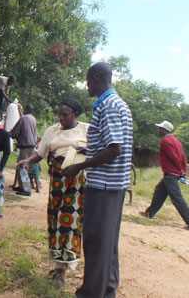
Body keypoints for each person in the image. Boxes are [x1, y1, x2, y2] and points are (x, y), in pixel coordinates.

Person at [62, 62, 133, 298]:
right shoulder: (117, 104)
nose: (86, 85)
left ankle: (91, 294)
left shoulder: (108, 106)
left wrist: (79, 167)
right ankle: (108, 289)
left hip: (104, 186)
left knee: (95, 242)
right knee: (107, 243)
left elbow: (115, 149)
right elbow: (108, 145)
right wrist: (86, 152)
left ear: (94, 78)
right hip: (114, 185)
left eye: (87, 80)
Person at [16, 98, 89, 285]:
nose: (61, 118)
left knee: (70, 221)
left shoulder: (86, 129)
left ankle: (65, 269)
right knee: (55, 219)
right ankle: (58, 264)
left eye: (65, 114)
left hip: (76, 182)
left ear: (76, 114)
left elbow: (96, 151)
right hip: (57, 180)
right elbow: (40, 154)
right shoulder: (52, 130)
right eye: (59, 114)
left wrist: (82, 151)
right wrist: (26, 161)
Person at [141, 121, 189, 227]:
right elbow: (183, 157)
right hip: (172, 174)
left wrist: (180, 170)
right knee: (159, 191)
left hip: (170, 174)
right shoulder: (176, 141)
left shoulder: (166, 141)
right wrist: (183, 170)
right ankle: (150, 213)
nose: (159, 130)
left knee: (177, 198)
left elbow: (173, 157)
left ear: (165, 130)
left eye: (160, 128)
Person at [10, 104, 37, 196]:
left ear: (25, 110)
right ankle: (21, 186)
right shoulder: (33, 119)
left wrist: (10, 133)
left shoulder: (24, 118)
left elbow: (15, 131)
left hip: (25, 145)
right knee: (23, 167)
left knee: (22, 167)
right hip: (31, 145)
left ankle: (26, 189)